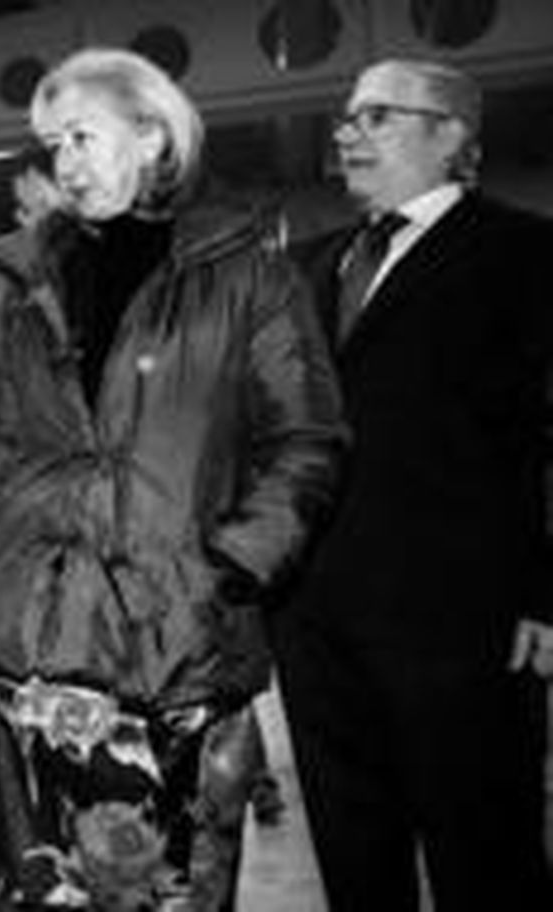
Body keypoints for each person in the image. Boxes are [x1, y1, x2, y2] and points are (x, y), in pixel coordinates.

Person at [0, 47, 345, 911]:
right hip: (33, 649)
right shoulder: (31, 289)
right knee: (27, 891)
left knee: (163, 889)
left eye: (81, 137)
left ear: (153, 136)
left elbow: (309, 440)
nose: (64, 164)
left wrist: (229, 568)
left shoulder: (251, 277)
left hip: (176, 653)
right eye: (53, 146)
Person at [271, 58, 553, 910]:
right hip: (316, 621)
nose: (347, 133)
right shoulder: (305, 268)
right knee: (355, 861)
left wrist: (546, 591)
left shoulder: (525, 253)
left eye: (378, 116)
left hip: (465, 622)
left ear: (452, 133)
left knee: (486, 856)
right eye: (347, 117)